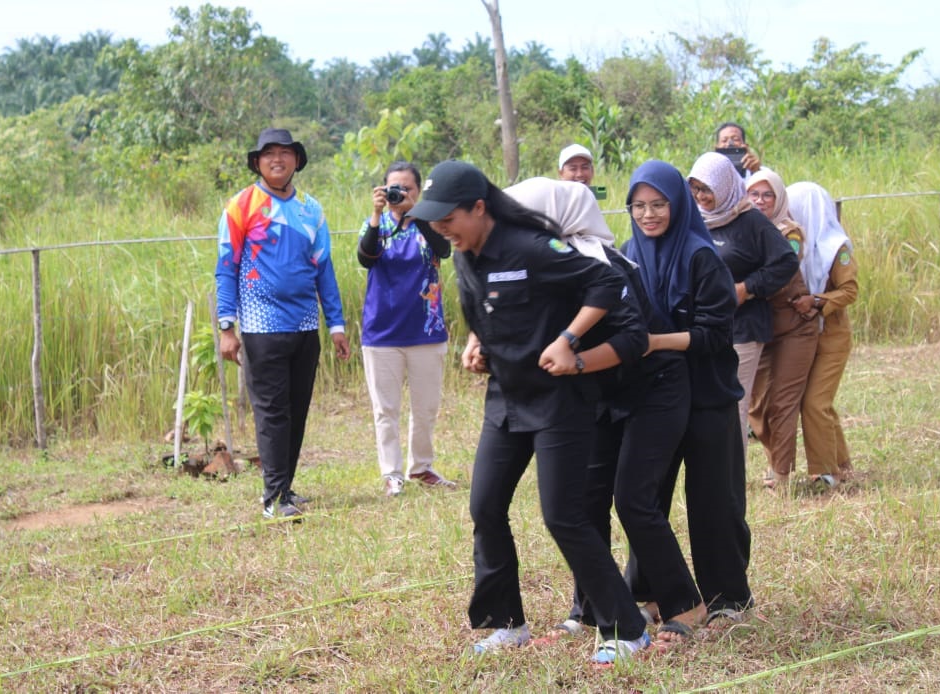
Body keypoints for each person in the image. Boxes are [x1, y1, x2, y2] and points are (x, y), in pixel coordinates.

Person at [407, 161, 652, 664]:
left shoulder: (532, 247)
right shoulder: (465, 254)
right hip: (506, 398)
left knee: (563, 516)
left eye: (448, 218)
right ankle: (506, 623)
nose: (441, 229)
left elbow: (605, 283)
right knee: (485, 506)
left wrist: (568, 340)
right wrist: (476, 345)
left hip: (559, 401)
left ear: (479, 208)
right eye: (435, 221)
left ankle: (627, 629)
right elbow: (486, 310)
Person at [503, 178, 705, 650]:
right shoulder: (544, 263)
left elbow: (634, 340)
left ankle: (684, 603)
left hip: (654, 388)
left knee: (633, 498)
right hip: (601, 394)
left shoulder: (598, 262)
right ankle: (592, 610)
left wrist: (573, 362)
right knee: (584, 501)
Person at [623, 160, 754, 628]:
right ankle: (651, 593)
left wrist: (657, 342)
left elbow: (715, 335)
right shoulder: (629, 253)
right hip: (657, 396)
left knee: (713, 501)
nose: (648, 215)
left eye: (659, 204)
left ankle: (728, 598)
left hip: (706, 396)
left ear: (678, 204)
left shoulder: (702, 257)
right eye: (639, 206)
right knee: (647, 498)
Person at [216, 128, 351, 519]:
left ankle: (286, 488)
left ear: (297, 161)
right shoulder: (241, 206)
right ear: (257, 162)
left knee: (296, 410)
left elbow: (324, 269)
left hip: (306, 327)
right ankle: (274, 499)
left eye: (285, 153)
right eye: (269, 153)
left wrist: (336, 325)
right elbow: (226, 267)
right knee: (272, 413)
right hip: (261, 328)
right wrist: (226, 327)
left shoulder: (311, 209)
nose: (277, 159)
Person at [357, 161, 457, 497]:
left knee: (425, 407)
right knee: (385, 409)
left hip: (426, 330)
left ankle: (422, 467)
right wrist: (376, 214)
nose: (400, 194)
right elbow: (366, 257)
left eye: (407, 188)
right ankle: (392, 473)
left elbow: (444, 250)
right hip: (382, 332)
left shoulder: (432, 224)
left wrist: (418, 213)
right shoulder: (375, 225)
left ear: (418, 191)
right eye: (393, 188)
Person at [688, 152, 799, 454]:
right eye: (695, 188)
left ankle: (731, 472)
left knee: (733, 403)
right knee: (706, 401)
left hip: (742, 327)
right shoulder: (694, 220)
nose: (700, 196)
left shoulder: (750, 221)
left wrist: (747, 288)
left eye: (707, 188)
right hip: (703, 326)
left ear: (724, 185)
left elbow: (786, 261)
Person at [745, 170, 820, 488]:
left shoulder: (790, 233)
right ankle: (775, 459)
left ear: (779, 200)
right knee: (755, 404)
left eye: (768, 195)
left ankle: (781, 474)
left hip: (795, 328)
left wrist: (743, 286)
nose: (760, 201)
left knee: (782, 401)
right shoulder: (742, 228)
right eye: (754, 194)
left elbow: (780, 269)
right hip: (761, 328)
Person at [787, 182, 860, 485]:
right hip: (803, 336)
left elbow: (850, 290)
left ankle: (826, 472)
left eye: (794, 208)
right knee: (816, 402)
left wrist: (817, 301)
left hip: (832, 337)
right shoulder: (793, 241)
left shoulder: (835, 247)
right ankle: (841, 463)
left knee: (815, 403)